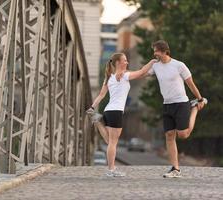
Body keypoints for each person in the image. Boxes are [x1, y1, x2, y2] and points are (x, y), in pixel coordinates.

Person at [87, 52, 157, 177]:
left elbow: (101, 95)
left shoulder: (109, 77)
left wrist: (92, 107)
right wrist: (152, 62)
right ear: (118, 63)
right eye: (125, 60)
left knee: (110, 141)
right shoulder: (124, 75)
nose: (127, 62)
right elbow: (141, 72)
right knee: (113, 143)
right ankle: (111, 170)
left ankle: (97, 121)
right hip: (116, 112)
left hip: (108, 111)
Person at [145, 40, 207, 178]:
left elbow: (190, 84)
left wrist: (200, 99)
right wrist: (123, 74)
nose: (154, 53)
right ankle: (175, 169)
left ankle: (194, 108)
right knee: (169, 135)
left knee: (183, 135)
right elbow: (142, 73)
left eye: (156, 51)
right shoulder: (156, 66)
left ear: (164, 51)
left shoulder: (179, 65)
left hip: (181, 103)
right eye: (154, 51)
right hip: (167, 104)